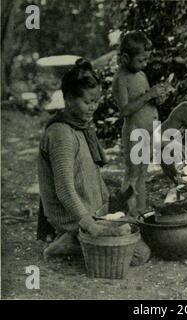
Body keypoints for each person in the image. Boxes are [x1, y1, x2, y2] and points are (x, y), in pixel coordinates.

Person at [38, 58, 150, 265]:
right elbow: (64, 189)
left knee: (141, 233)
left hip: (92, 212)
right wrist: (91, 226)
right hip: (74, 217)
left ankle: (80, 241)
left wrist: (116, 200)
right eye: (87, 102)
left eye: (96, 101)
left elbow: (88, 174)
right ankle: (68, 242)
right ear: (69, 99)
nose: (93, 108)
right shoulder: (61, 133)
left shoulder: (80, 127)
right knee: (137, 255)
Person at [112, 30, 167, 216]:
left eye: (146, 60)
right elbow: (125, 110)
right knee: (133, 174)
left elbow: (145, 98)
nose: (145, 64)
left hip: (148, 131)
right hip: (134, 132)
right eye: (141, 60)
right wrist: (148, 95)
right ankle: (128, 213)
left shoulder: (141, 74)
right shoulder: (121, 79)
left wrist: (157, 98)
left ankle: (141, 211)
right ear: (126, 57)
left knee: (143, 173)